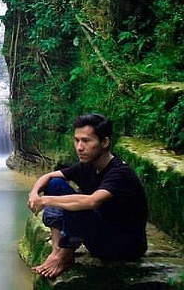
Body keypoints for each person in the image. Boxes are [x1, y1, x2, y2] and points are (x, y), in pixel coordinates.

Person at [26, 113, 148, 278]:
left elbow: (92, 201)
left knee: (78, 205)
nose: (79, 147)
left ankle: (65, 255)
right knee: (55, 183)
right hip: (100, 231)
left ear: (104, 142)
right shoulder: (87, 165)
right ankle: (57, 250)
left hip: (123, 246)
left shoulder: (120, 173)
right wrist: (34, 193)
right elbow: (48, 177)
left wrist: (45, 200)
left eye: (86, 141)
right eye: (76, 140)